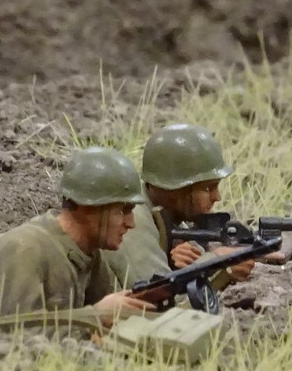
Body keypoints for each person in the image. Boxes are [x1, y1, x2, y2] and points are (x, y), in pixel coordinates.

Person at [0, 147, 156, 322]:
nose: (131, 223)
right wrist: (96, 316)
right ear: (88, 207)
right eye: (123, 211)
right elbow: (19, 339)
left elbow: (112, 313)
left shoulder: (89, 252)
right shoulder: (25, 250)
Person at [102, 123, 263, 292]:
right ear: (174, 190)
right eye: (208, 188)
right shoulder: (133, 223)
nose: (217, 197)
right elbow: (156, 297)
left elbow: (194, 259)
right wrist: (217, 265)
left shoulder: (169, 214)